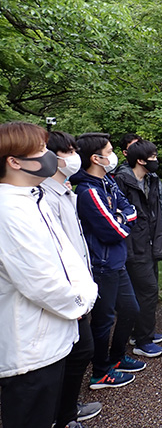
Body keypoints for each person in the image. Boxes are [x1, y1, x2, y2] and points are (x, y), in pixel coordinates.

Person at [0, 122, 98, 428]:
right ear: (14, 161)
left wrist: (82, 295)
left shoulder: (32, 198)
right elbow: (40, 280)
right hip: (31, 347)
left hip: (52, 336)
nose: (50, 156)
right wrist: (79, 304)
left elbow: (67, 258)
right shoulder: (9, 210)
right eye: (41, 150)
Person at [72, 132, 145, 390]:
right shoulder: (88, 191)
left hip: (116, 261)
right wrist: (121, 219)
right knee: (103, 320)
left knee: (130, 309)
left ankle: (115, 358)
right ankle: (100, 372)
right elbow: (115, 230)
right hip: (102, 265)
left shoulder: (108, 182)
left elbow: (130, 211)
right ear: (96, 158)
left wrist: (121, 217)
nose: (113, 155)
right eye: (110, 150)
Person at [42, 131, 103, 427]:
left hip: (80, 285)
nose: (72, 156)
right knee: (77, 352)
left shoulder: (66, 191)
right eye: (65, 151)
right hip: (67, 293)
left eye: (72, 149)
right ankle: (62, 415)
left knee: (79, 351)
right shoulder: (43, 198)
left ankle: (67, 410)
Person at [114, 139, 162, 358]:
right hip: (134, 246)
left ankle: (141, 332)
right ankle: (142, 340)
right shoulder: (122, 181)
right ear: (140, 160)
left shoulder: (151, 180)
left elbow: (156, 213)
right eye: (153, 156)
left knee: (146, 290)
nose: (156, 160)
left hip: (150, 244)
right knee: (147, 291)